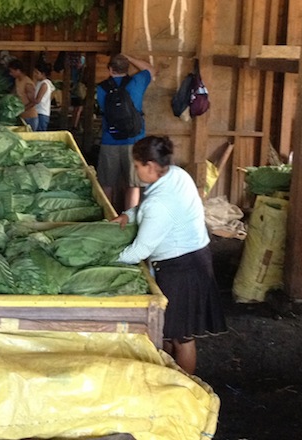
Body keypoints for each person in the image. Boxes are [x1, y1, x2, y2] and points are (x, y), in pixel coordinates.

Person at [112, 135, 226, 374]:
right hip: (196, 259)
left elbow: (141, 250)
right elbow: (144, 208)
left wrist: (109, 260)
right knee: (173, 332)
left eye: (137, 166)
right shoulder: (176, 174)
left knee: (181, 338)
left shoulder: (160, 203)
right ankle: (169, 378)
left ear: (150, 166)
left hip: (183, 269)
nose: (135, 170)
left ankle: (185, 388)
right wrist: (128, 215)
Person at [96, 53, 155, 211]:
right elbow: (150, 68)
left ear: (110, 69)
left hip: (110, 140)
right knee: (133, 184)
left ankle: (107, 218)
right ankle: (129, 218)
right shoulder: (137, 82)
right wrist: (130, 57)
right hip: (134, 141)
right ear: (127, 68)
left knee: (107, 184)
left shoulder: (101, 88)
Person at [8, 59, 39, 130]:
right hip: (22, 116)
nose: (10, 74)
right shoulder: (17, 80)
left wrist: (20, 110)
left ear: (18, 70)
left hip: (30, 117)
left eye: (12, 71)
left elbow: (33, 102)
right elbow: (13, 93)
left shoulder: (28, 84)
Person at [33, 62, 55, 132]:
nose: (35, 75)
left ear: (43, 74)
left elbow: (37, 100)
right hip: (39, 111)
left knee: (40, 134)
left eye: (37, 73)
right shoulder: (40, 83)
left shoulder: (44, 84)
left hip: (41, 112)